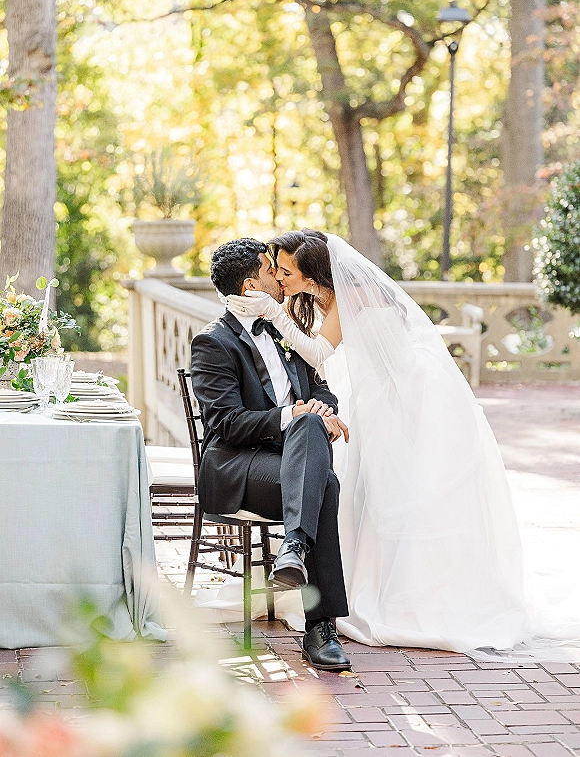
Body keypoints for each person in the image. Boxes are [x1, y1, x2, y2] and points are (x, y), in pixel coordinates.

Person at [226, 230, 539, 655]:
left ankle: (419, 595)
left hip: (410, 392)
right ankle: (369, 584)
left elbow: (319, 353)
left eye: (286, 271)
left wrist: (275, 314)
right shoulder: (312, 296)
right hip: (375, 393)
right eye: (276, 270)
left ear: (312, 274)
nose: (280, 279)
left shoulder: (350, 291)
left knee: (413, 490)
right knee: (371, 488)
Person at [190, 237, 352, 671]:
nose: (280, 280)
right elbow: (227, 424)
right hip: (240, 465)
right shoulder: (212, 343)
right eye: (270, 272)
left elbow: (323, 391)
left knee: (313, 439)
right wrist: (294, 415)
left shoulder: (285, 330)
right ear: (250, 287)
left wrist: (319, 409)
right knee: (324, 482)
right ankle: (321, 627)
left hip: (295, 456)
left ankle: (293, 549)